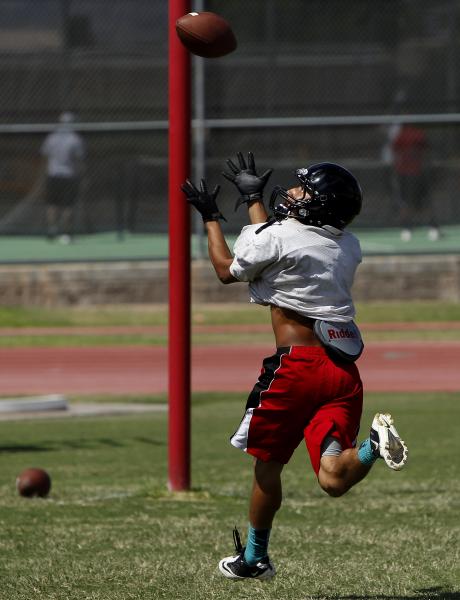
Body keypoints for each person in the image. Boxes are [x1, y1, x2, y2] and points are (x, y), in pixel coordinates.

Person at [181, 152, 409, 581]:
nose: (293, 193)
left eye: (304, 189)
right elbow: (280, 236)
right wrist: (253, 200)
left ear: (319, 204)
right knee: (333, 478)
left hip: (297, 367)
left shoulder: (283, 236)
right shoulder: (347, 246)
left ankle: (255, 558)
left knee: (267, 466)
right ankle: (372, 446)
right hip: (342, 373)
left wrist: (210, 215)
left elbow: (226, 269)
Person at [41, 111, 86, 243]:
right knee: (68, 205)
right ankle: (66, 234)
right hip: (68, 176)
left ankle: (52, 230)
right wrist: (82, 176)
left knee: (52, 204)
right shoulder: (75, 139)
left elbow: (45, 156)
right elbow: (79, 160)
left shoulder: (52, 137)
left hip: (53, 174)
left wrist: (45, 173)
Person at [390, 124, 440, 241]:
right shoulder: (401, 135)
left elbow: (427, 150)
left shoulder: (418, 134)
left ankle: (432, 227)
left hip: (419, 173)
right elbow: (394, 151)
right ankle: (407, 228)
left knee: (423, 200)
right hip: (405, 173)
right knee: (407, 201)